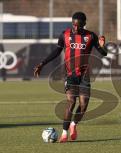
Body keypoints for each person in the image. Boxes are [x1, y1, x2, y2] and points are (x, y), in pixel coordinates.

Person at [34, 12, 107, 143]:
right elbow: (56, 51)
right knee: (71, 102)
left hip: (84, 75)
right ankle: (64, 133)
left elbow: (103, 53)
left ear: (84, 24)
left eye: (78, 26)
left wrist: (102, 46)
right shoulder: (65, 35)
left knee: (84, 105)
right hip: (70, 75)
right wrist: (42, 64)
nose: (75, 28)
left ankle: (73, 124)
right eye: (73, 24)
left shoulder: (91, 36)